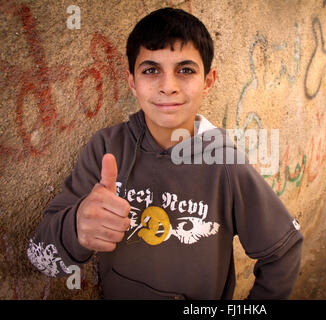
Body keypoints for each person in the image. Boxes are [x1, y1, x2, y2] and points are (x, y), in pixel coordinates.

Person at [27, 7, 303, 300]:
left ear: (208, 81)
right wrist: (76, 227)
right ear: (132, 82)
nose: (168, 87)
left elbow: (283, 250)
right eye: (151, 70)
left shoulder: (224, 162)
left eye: (185, 70)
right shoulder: (106, 148)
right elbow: (40, 258)